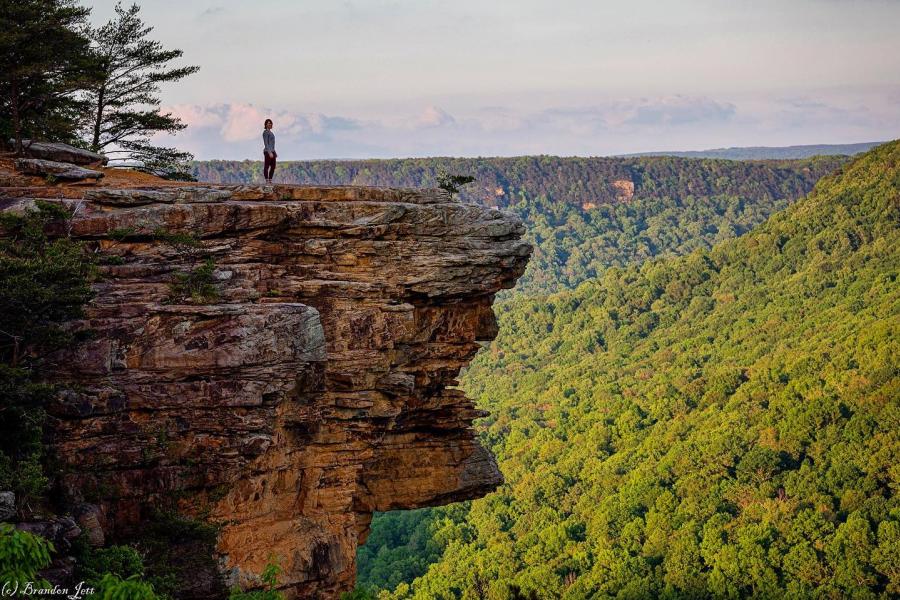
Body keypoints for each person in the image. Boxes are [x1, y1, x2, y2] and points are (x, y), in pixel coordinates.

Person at [262, 118, 276, 184]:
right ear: (266, 125)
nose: (270, 124)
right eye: (268, 123)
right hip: (268, 151)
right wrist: (269, 152)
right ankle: (267, 180)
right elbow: (266, 143)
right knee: (267, 166)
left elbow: (272, 143)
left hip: (272, 151)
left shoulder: (271, 132)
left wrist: (274, 152)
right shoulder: (265, 132)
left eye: (270, 123)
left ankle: (270, 179)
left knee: (273, 166)